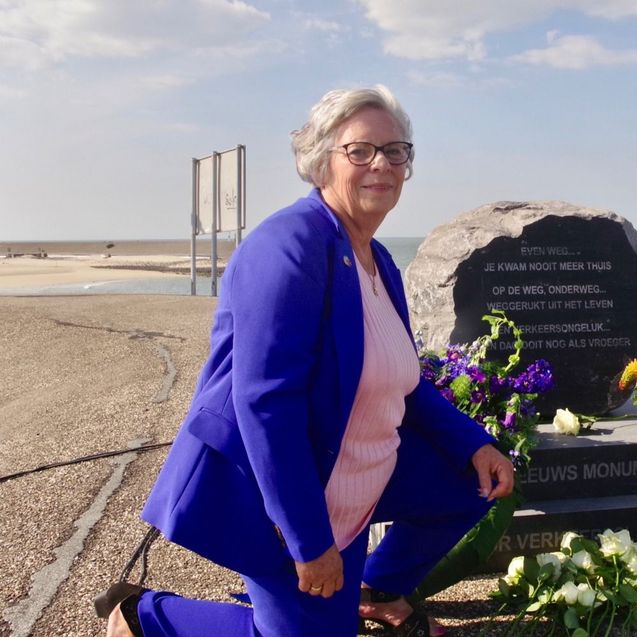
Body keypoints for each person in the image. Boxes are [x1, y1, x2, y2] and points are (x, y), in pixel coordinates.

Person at [99, 85, 515, 637]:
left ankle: (374, 590)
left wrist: (476, 444)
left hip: (364, 469)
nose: (382, 165)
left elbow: (404, 383)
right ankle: (142, 615)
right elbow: (267, 406)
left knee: (471, 482)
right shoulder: (287, 247)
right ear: (322, 161)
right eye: (361, 151)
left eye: (396, 151)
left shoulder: (377, 257)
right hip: (287, 490)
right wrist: (310, 543)